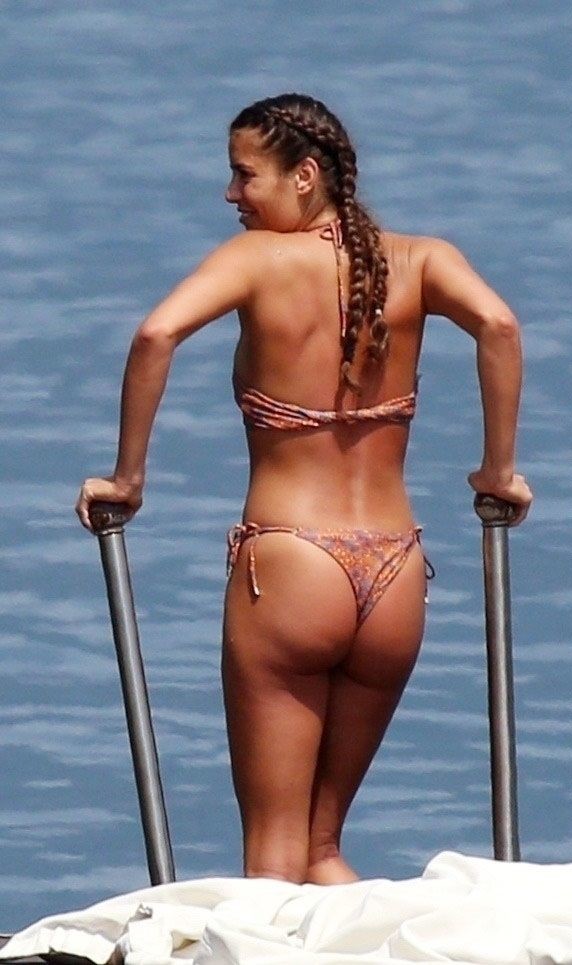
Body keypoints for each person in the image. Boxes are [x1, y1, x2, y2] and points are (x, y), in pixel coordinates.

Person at [76, 93, 532, 886]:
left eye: (243, 174)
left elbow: (155, 333)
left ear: (304, 176)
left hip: (290, 567)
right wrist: (498, 470)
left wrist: (128, 476)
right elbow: (498, 325)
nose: (231, 194)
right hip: (394, 575)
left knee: (275, 851)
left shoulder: (256, 261)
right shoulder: (421, 260)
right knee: (322, 848)